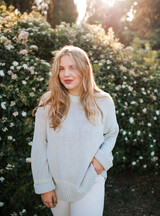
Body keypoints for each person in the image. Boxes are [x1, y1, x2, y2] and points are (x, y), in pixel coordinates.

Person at [31, 45, 119, 216]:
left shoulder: (103, 101)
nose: (66, 74)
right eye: (61, 69)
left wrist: (101, 159)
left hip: (90, 180)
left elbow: (111, 133)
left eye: (72, 67)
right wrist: (44, 185)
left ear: (85, 69)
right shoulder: (48, 102)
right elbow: (39, 145)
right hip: (57, 185)